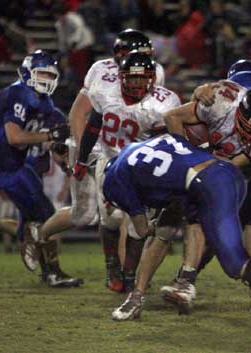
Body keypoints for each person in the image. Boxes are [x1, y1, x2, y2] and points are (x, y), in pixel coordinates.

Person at [106, 132, 251, 329]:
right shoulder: (152, 143)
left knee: (235, 264)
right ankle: (143, 294)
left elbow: (142, 230)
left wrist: (150, 226)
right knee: (173, 225)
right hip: (225, 172)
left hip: (209, 186)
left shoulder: (114, 180)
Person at [26, 29, 165, 293]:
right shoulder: (101, 71)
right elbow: (79, 113)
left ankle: (124, 274)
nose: (146, 61)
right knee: (85, 214)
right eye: (141, 54)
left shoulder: (152, 72)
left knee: (122, 213)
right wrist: (80, 152)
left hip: (128, 152)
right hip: (97, 149)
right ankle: (39, 234)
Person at [73, 51, 180, 293]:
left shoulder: (162, 102)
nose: (138, 84)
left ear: (152, 79)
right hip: (109, 159)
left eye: (143, 79)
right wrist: (81, 160)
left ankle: (130, 275)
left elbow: (164, 142)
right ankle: (112, 267)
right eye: (133, 78)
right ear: (121, 77)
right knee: (110, 220)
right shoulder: (105, 92)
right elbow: (93, 127)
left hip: (141, 166)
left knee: (136, 226)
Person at [0, 50, 81, 287]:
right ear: (27, 72)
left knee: (46, 219)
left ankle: (51, 272)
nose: (45, 78)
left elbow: (57, 139)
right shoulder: (16, 93)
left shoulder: (46, 104)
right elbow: (14, 137)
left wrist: (65, 158)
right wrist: (50, 134)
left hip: (16, 168)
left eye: (50, 74)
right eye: (41, 73)